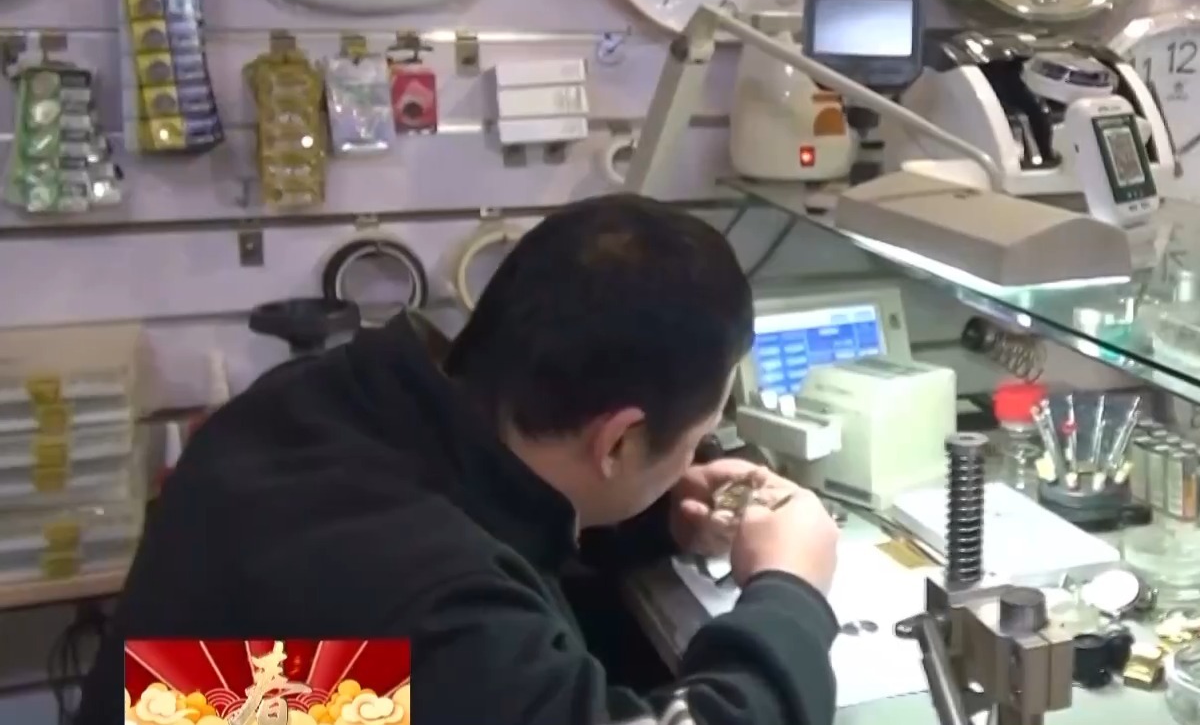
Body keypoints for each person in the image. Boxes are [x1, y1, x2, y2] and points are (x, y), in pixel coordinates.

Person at [79, 195, 843, 725]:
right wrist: (790, 591)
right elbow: (452, 659)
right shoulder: (438, 607)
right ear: (616, 441)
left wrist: (656, 518)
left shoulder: (326, 403)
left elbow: (310, 693)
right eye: (694, 437)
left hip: (222, 704)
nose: (692, 458)